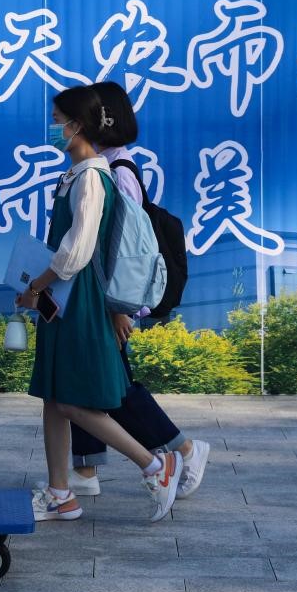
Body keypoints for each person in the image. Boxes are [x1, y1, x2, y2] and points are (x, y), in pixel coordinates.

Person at [16, 85, 181, 524]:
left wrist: (37, 286)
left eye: (57, 120)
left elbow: (76, 252)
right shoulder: (75, 175)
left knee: (72, 401)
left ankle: (154, 465)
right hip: (62, 299)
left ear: (77, 125)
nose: (53, 127)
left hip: (79, 301)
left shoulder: (92, 177)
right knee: (54, 398)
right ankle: (60, 494)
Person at [65, 81, 210, 500]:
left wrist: (118, 309)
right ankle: (85, 469)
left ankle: (184, 449)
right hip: (96, 298)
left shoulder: (119, 171)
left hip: (112, 302)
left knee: (114, 387)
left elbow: (129, 252)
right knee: (85, 382)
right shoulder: (99, 165)